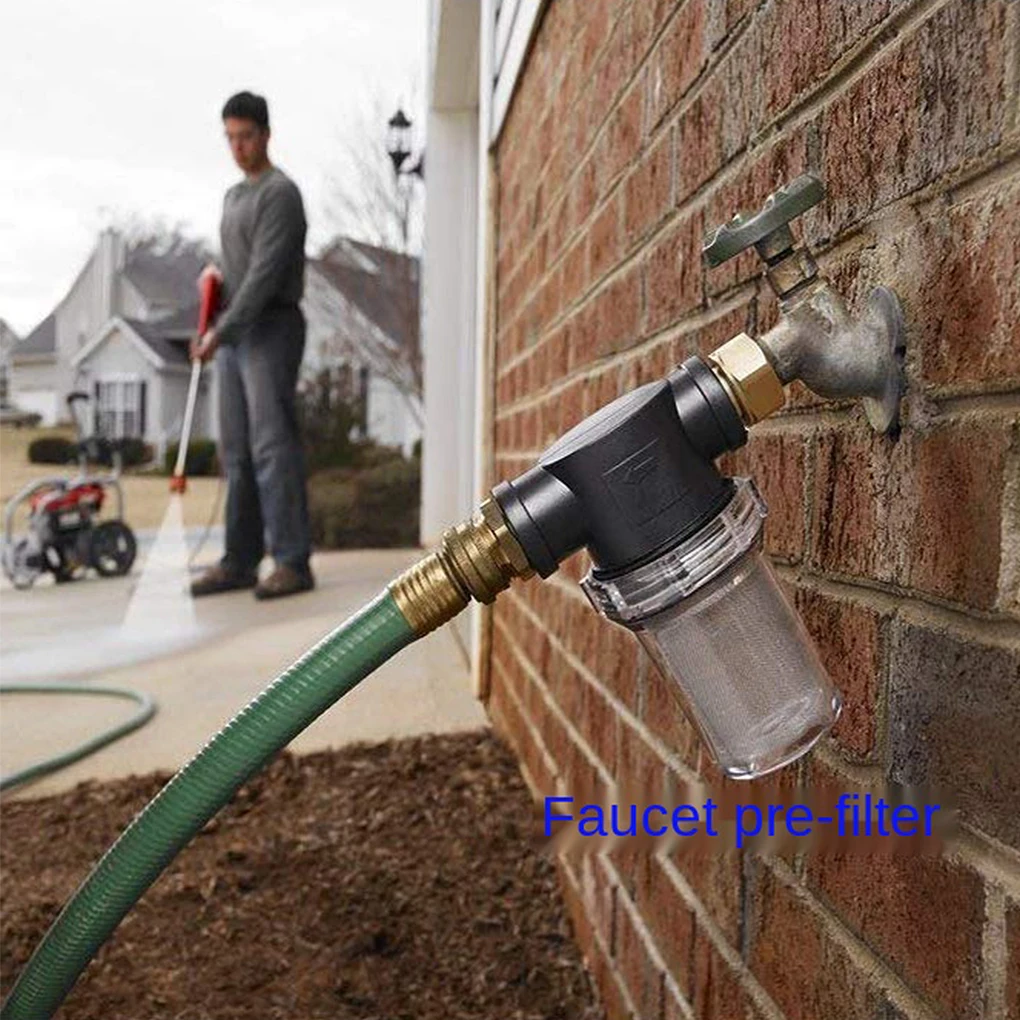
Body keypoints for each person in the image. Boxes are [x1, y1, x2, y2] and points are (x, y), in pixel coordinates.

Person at [189, 91, 314, 600]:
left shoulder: (280, 194)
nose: (238, 147)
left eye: (245, 137)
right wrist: (215, 279)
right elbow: (238, 267)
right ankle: (239, 562)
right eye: (230, 138)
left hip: (270, 329)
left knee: (271, 446)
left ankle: (291, 562)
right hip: (235, 333)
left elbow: (264, 276)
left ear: (265, 135)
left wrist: (221, 331)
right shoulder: (233, 197)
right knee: (237, 450)